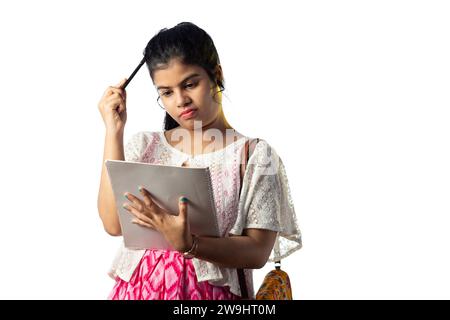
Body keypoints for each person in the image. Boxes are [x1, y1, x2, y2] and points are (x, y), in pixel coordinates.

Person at [97, 22, 302, 300]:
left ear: (216, 74)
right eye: (166, 92)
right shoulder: (146, 146)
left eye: (190, 84)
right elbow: (113, 224)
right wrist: (114, 131)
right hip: (138, 290)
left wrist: (191, 244)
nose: (180, 100)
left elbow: (257, 252)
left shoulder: (255, 156)